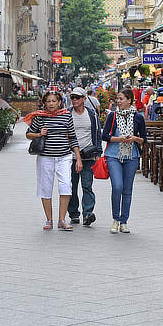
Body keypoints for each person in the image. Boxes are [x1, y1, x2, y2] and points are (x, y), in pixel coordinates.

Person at [25, 91, 82, 231]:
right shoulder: (39, 117)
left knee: (66, 187)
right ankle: (49, 219)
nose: (51, 104)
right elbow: (28, 134)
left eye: (54, 101)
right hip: (45, 157)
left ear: (59, 102)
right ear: (44, 103)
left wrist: (78, 159)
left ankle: (62, 220)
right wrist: (39, 134)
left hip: (64, 156)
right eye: (48, 101)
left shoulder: (66, 116)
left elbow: (73, 137)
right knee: (45, 187)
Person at [102, 89, 147, 234]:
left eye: (121, 99)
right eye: (117, 99)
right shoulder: (112, 116)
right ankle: (115, 219)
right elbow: (104, 136)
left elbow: (144, 139)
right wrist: (119, 139)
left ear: (129, 100)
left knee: (127, 190)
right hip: (113, 155)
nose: (118, 101)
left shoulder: (138, 117)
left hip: (132, 156)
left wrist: (134, 138)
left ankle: (124, 221)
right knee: (117, 186)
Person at [67, 87, 102, 226]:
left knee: (87, 186)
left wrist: (98, 153)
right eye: (72, 97)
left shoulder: (92, 114)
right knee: (71, 187)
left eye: (77, 97)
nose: (74, 100)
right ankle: (74, 214)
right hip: (70, 157)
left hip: (88, 156)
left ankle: (88, 213)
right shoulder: (68, 113)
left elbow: (98, 133)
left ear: (84, 99)